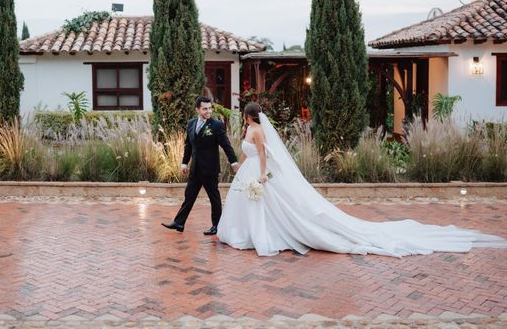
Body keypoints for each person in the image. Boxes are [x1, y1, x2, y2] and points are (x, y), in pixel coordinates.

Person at [217, 102, 507, 257]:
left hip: (259, 174)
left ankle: (260, 236)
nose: (245, 118)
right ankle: (243, 233)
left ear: (250, 116)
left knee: (268, 207)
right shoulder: (247, 130)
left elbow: (264, 156)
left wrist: (263, 176)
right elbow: (247, 153)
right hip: (246, 173)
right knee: (246, 204)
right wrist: (237, 166)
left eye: (246, 115)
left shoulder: (257, 131)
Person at [162, 97, 239, 235]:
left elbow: (226, 145)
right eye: (205, 109)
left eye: (210, 108)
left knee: (214, 197)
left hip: (210, 169)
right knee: (189, 196)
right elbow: (188, 145)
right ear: (197, 109)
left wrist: (234, 162)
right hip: (195, 168)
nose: (208, 111)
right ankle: (179, 222)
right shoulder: (191, 123)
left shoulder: (216, 125)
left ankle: (216, 226)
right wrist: (184, 163)